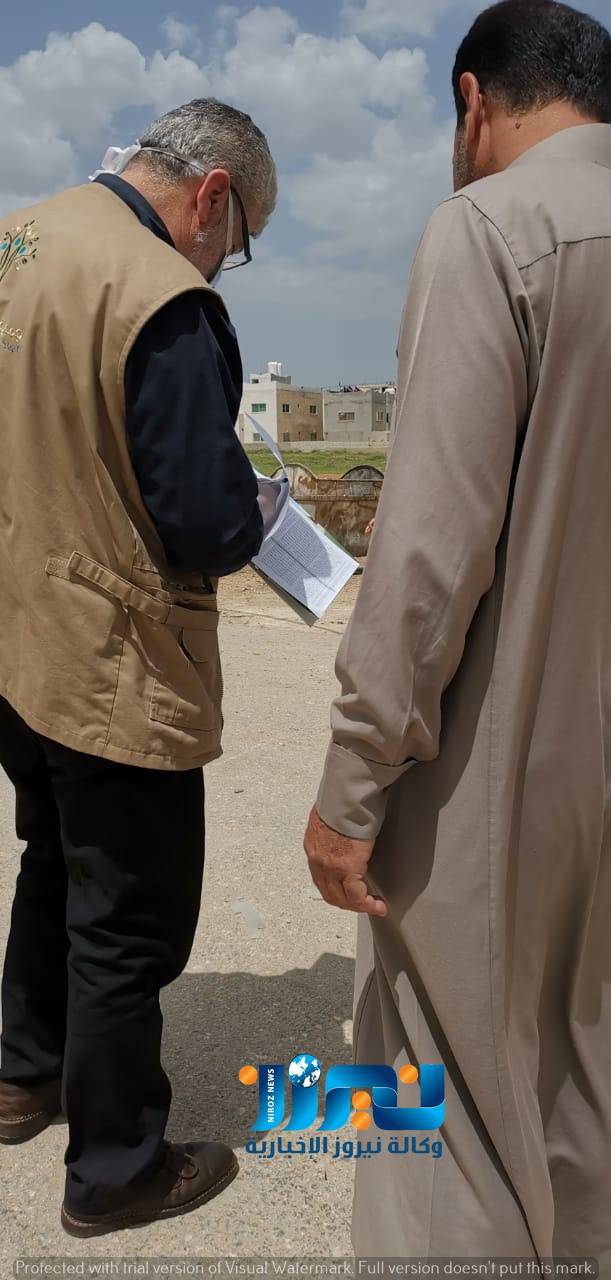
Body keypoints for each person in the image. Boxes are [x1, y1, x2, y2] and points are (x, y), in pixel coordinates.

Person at [305, 0, 611, 1265]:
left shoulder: (489, 228)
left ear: (472, 102)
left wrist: (350, 786)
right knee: (584, 1069)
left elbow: (427, 555)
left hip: (501, 767)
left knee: (438, 1099)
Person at [0, 98, 277, 1237]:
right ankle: (116, 1168)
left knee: (52, 854)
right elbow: (204, 522)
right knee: (129, 911)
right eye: (240, 239)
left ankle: (21, 1073)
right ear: (212, 196)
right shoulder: (161, 296)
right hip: (106, 649)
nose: (225, 261)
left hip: (14, 627)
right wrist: (260, 516)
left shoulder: (20, 236)